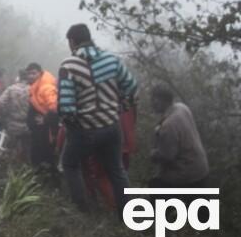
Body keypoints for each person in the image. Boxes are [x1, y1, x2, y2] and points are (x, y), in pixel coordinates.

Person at [57, 23, 137, 214]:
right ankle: (128, 216)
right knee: (117, 171)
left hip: (86, 129)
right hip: (111, 126)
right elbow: (131, 87)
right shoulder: (112, 60)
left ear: (72, 41)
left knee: (70, 163)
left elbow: (66, 107)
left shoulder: (69, 66)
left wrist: (73, 128)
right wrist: (119, 108)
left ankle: (83, 211)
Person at [149, 84, 209, 189]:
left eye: (155, 99)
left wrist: (153, 154)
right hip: (201, 169)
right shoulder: (182, 107)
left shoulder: (168, 125)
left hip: (187, 175)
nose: (153, 103)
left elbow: (167, 157)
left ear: (165, 101)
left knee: (156, 185)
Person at [0, 71, 31, 161]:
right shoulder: (32, 89)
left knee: (10, 148)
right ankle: (24, 167)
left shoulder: (11, 89)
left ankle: (9, 166)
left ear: (18, 77)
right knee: (26, 149)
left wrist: (5, 112)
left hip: (12, 123)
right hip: (27, 125)